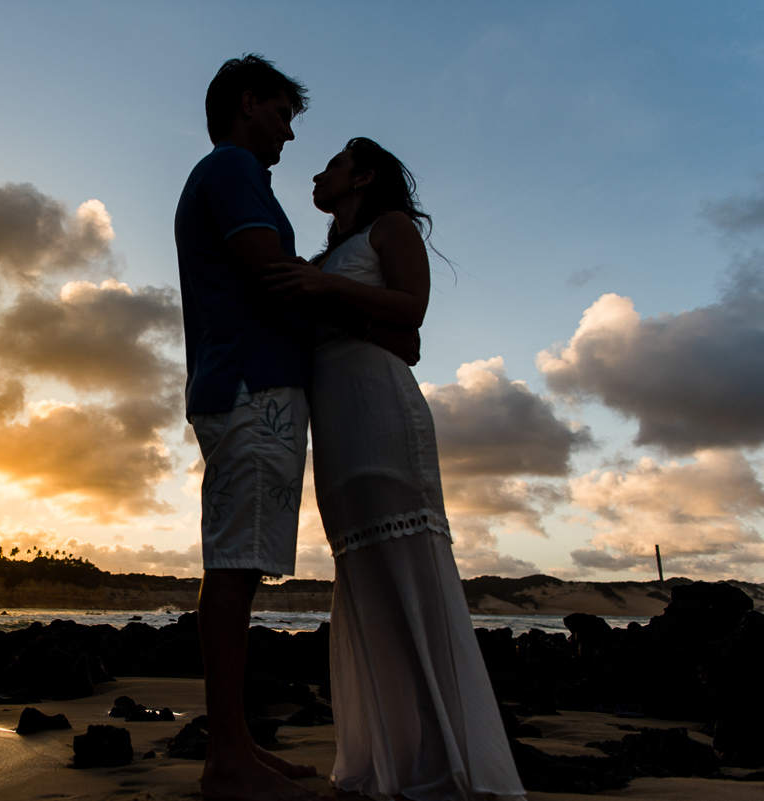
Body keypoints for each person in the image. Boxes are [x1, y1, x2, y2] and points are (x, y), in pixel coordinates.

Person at [264, 139, 526, 800]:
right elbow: (377, 330)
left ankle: (448, 757)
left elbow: (412, 312)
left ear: (364, 176)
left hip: (382, 414)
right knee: (366, 578)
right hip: (336, 427)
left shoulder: (391, 226)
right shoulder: (324, 257)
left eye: (333, 164)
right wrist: (320, 287)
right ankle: (392, 756)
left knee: (411, 571)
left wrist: (326, 287)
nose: (318, 172)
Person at [174, 55, 324, 801]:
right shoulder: (232, 168)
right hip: (250, 388)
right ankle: (228, 757)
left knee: (240, 563)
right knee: (234, 565)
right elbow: (270, 274)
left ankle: (237, 746)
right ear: (246, 103)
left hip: (247, 386)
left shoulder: (236, 174)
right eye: (283, 114)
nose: (289, 134)